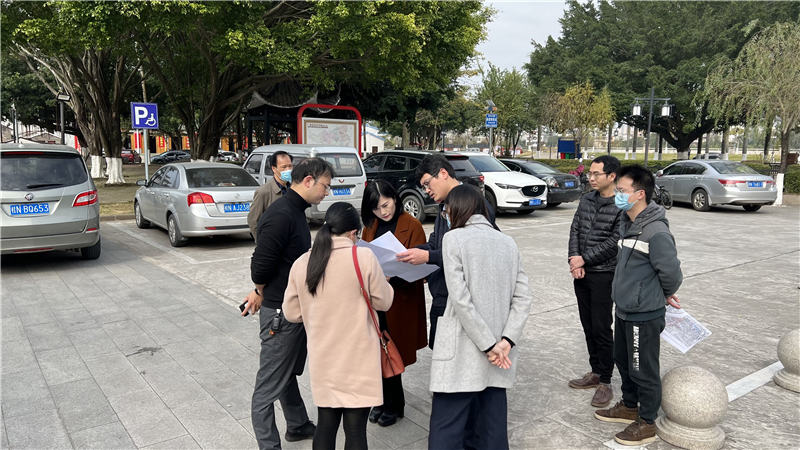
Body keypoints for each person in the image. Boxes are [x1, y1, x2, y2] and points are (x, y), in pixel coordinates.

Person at [428, 185, 532, 450]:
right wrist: (506, 341)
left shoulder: (453, 239)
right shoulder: (508, 242)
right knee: (490, 429)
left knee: (447, 428)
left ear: (455, 209)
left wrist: (488, 345)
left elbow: (461, 300)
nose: (445, 216)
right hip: (500, 353)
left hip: (463, 348)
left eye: (445, 211)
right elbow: (523, 298)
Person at [283, 202, 394, 450]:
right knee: (356, 431)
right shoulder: (363, 257)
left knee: (326, 424)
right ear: (353, 232)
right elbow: (384, 301)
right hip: (359, 360)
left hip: (324, 360)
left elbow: (291, 313)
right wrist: (384, 282)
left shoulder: (303, 262)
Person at [243, 157, 334, 450]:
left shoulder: (295, 211)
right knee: (267, 388)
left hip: (292, 309)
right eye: (325, 186)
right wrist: (259, 290)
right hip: (280, 316)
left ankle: (297, 425)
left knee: (286, 373)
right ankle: (269, 445)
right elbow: (260, 268)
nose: (327, 192)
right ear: (308, 181)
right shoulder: (281, 215)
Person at [594, 165, 682, 446]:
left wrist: (661, 293)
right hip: (624, 308)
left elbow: (671, 274)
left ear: (640, 194)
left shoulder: (655, 231)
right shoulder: (627, 223)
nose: (617, 195)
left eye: (622, 191)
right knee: (623, 361)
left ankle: (647, 421)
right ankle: (630, 405)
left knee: (643, 368)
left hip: (643, 314)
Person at [396, 154, 496, 349]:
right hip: (442, 295)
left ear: (443, 173)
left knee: (458, 357)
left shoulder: (475, 204)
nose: (426, 191)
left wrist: (428, 256)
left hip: (465, 301)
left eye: (427, 184)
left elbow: (472, 252)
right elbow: (436, 244)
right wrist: (408, 254)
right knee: (441, 353)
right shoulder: (443, 206)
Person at [360, 180, 427, 427]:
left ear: (395, 199)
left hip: (401, 300)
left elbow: (421, 267)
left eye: (386, 205)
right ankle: (380, 401)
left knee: (393, 351)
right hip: (376, 299)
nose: (383, 212)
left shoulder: (412, 225)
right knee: (376, 349)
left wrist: (393, 275)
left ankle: (395, 405)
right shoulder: (371, 225)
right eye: (376, 208)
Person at [567, 155, 623, 408]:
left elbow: (615, 242)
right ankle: (595, 372)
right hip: (581, 272)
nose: (591, 178)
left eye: (596, 174)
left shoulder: (621, 204)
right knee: (587, 324)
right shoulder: (587, 199)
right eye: (590, 173)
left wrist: (584, 259)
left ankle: (606, 381)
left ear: (611, 176)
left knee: (601, 327)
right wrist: (574, 259)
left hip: (604, 273)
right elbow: (575, 229)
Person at [248, 151, 294, 240]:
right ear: (274, 168)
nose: (288, 170)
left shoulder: (294, 189)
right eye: (284, 167)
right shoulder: (263, 192)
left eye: (290, 166)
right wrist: (262, 242)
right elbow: (253, 220)